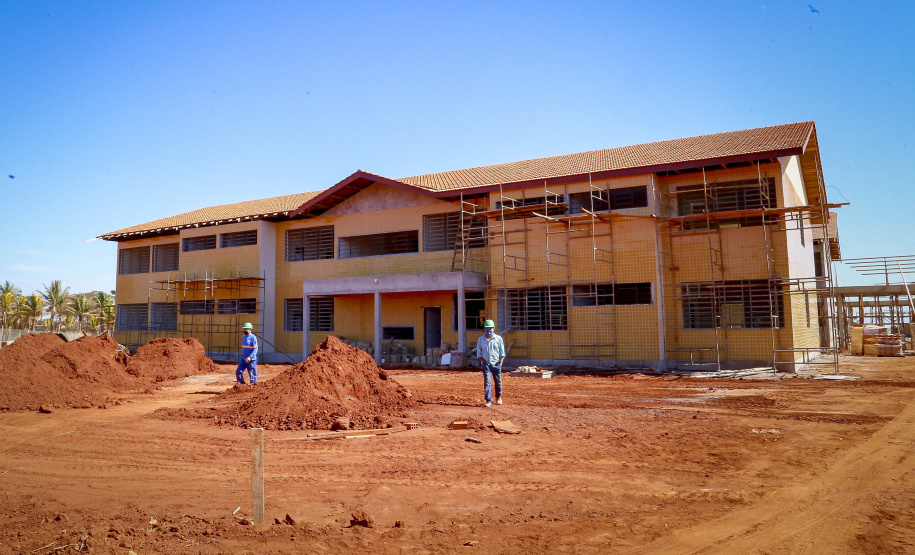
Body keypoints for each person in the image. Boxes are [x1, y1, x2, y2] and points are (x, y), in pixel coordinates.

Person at [476, 319, 506, 407]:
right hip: (486, 364)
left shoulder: (498, 339)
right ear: (484, 329)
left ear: (494, 328)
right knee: (487, 382)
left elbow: (502, 352)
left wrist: (500, 363)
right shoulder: (481, 340)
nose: (489, 329)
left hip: (496, 363)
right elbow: (479, 353)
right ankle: (489, 400)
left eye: (491, 328)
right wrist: (484, 362)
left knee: (498, 382)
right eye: (487, 328)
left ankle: (498, 397)